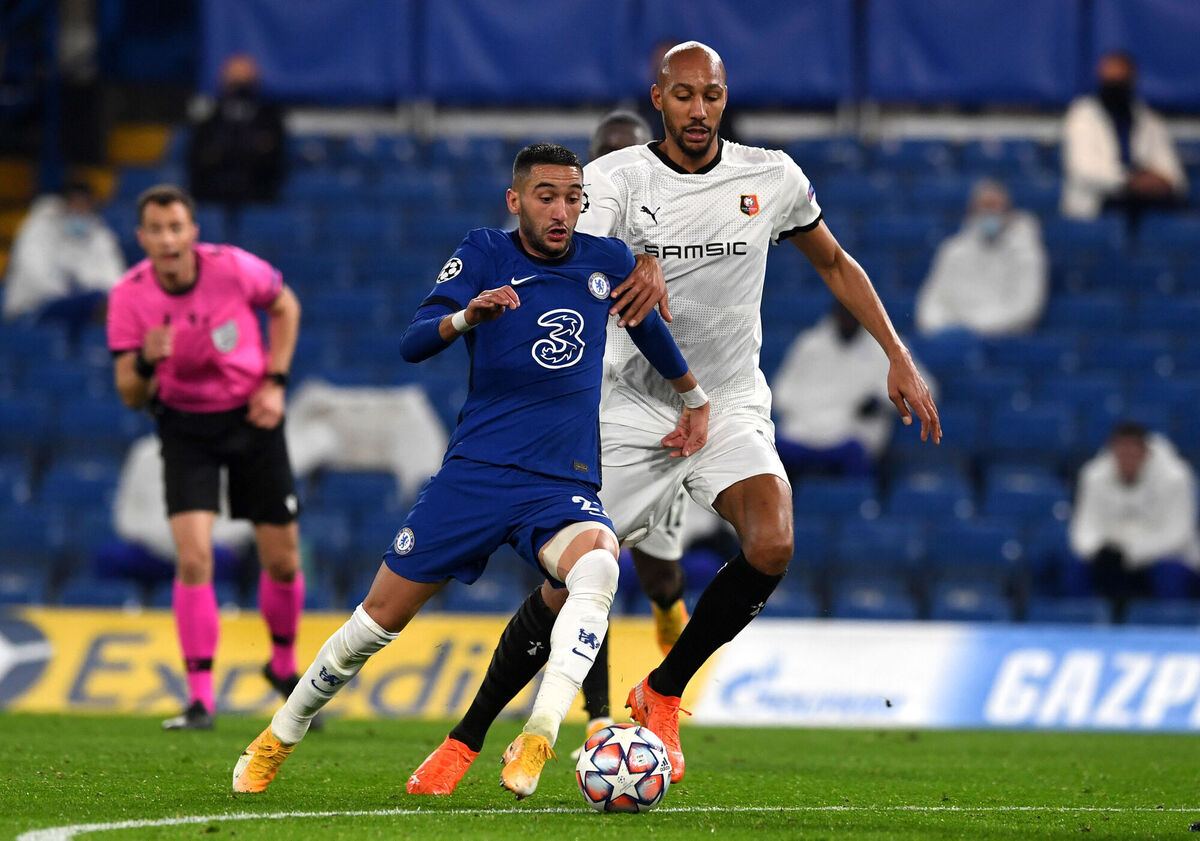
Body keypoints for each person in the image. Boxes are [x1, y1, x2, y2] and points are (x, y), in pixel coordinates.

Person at [406, 41, 940, 795]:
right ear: (658, 98)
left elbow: (833, 261)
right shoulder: (614, 178)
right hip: (632, 406)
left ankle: (661, 691)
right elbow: (567, 247)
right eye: (684, 95)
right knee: (567, 586)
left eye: (712, 96)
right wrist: (638, 256)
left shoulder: (772, 175)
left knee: (773, 541)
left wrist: (897, 352)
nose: (699, 110)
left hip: (727, 400)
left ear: (726, 100)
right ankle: (465, 738)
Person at [230, 143, 710, 800]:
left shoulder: (607, 261)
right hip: (476, 476)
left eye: (573, 197)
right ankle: (280, 733)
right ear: (516, 200)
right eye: (546, 195)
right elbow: (414, 339)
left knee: (599, 563)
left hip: (559, 481)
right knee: (373, 624)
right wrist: (466, 317)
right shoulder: (484, 250)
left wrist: (694, 397)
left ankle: (539, 733)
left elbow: (648, 328)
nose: (562, 210)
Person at [106, 184, 306, 730]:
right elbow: (129, 393)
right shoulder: (128, 296)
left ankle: (282, 665)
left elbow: (285, 304)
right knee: (195, 558)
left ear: (193, 232)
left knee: (283, 558)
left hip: (251, 416)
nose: (168, 239)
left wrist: (276, 381)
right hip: (185, 427)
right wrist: (146, 364)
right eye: (156, 229)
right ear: (142, 237)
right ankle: (200, 700)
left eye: (177, 227)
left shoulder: (233, 268)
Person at [1068, 422, 1200, 620]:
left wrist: (1130, 553)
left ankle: (1172, 630)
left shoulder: (1176, 478)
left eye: (1133, 454)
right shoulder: (1093, 476)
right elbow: (1083, 528)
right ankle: (1077, 628)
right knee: (1075, 568)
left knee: (1169, 573)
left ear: (1146, 453)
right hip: (1110, 559)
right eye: (1121, 453)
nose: (1127, 460)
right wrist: (1098, 551)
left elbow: (1178, 535)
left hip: (1162, 558)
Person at [772, 300, 917, 479]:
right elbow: (782, 390)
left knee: (855, 454)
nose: (847, 317)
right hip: (803, 431)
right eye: (843, 310)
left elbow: (921, 389)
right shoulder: (810, 344)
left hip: (852, 432)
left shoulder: (888, 346)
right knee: (768, 453)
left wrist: (882, 400)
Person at [1061, 51, 1187, 222]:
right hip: (1098, 204)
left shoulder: (1149, 120)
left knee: (1178, 210)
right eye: (1110, 80)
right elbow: (1083, 170)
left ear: (1132, 80)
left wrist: (1161, 182)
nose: (1115, 86)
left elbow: (1173, 174)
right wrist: (1130, 181)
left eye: (1120, 80)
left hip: (1146, 203)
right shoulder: (1082, 115)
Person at [915, 178, 1047, 337]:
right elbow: (932, 302)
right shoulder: (953, 251)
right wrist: (942, 331)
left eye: (994, 206)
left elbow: (1026, 308)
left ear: (1008, 210)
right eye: (983, 206)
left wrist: (975, 329)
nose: (988, 212)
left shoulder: (1026, 253)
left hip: (1003, 341)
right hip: (954, 340)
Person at [4, 180, 125, 340]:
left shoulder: (99, 234)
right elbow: (34, 271)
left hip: (83, 307)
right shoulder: (39, 227)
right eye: (76, 205)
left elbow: (114, 278)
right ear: (64, 205)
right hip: (34, 307)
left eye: (85, 206)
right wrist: (67, 292)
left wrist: (85, 290)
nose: (80, 211)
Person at [187, 54, 286, 207]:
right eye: (235, 81)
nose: (239, 88)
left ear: (255, 82)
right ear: (223, 82)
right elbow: (198, 160)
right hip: (213, 192)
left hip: (258, 192)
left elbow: (274, 161)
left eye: (244, 82)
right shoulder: (209, 119)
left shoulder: (270, 118)